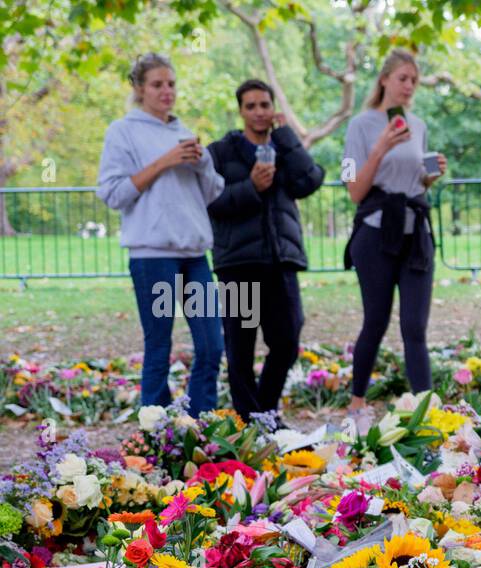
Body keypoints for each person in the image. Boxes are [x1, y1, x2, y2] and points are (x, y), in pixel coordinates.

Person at [96, 53, 225, 413]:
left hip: (195, 253)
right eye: (157, 84)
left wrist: (202, 164)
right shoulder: (123, 131)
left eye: (171, 83)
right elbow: (112, 193)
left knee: (212, 345)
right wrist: (164, 162)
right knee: (159, 346)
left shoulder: (185, 133)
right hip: (152, 255)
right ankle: (156, 429)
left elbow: (214, 192)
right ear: (139, 89)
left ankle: (202, 426)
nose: (166, 91)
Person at [207, 79, 325, 426]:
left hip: (280, 261)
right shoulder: (222, 152)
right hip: (238, 263)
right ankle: (248, 422)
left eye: (265, 105)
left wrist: (288, 138)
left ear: (274, 109)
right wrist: (251, 188)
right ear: (241, 111)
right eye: (251, 106)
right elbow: (212, 201)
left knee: (287, 340)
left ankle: (265, 413)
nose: (259, 112)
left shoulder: (283, 148)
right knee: (240, 348)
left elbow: (311, 180)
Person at [341, 49, 448, 419]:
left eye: (414, 81)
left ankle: (426, 411)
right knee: (376, 320)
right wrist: (381, 147)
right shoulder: (360, 125)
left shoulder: (417, 125)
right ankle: (356, 404)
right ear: (384, 79)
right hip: (374, 235)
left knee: (415, 326)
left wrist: (430, 175)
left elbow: (415, 179)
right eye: (403, 78)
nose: (409, 86)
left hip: (414, 232)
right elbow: (353, 189)